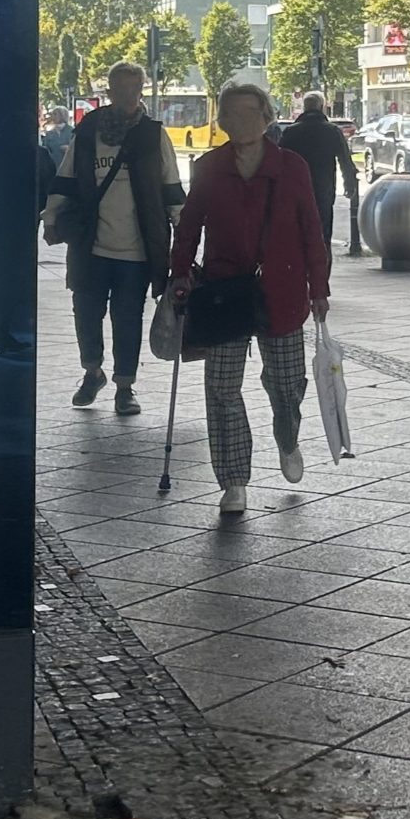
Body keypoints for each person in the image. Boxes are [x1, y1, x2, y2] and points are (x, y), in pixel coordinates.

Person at [167, 84, 330, 516]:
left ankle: (287, 437)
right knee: (221, 389)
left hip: (284, 289)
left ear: (266, 117)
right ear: (221, 120)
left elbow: (312, 229)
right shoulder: (209, 168)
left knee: (288, 384)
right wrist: (180, 271)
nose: (240, 122)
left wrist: (320, 287)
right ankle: (234, 480)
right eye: (231, 114)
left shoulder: (291, 167)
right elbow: (189, 226)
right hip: (224, 292)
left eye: (249, 113)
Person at [45, 62, 184, 416]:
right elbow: (67, 177)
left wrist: (183, 228)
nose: (126, 98)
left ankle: (125, 385)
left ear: (140, 91)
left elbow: (170, 186)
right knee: (86, 312)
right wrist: (51, 214)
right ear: (109, 91)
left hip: (137, 249)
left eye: (132, 91)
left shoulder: (153, 135)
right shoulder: (90, 129)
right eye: (119, 90)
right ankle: (92, 372)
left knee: (128, 317)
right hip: (90, 243)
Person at [278, 91, 360, 255]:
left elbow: (279, 161)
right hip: (323, 189)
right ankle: (321, 272)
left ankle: (300, 272)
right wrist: (349, 184)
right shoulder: (331, 131)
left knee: (297, 233)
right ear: (322, 107)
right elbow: (344, 159)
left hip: (296, 190)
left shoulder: (291, 132)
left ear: (304, 108)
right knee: (323, 233)